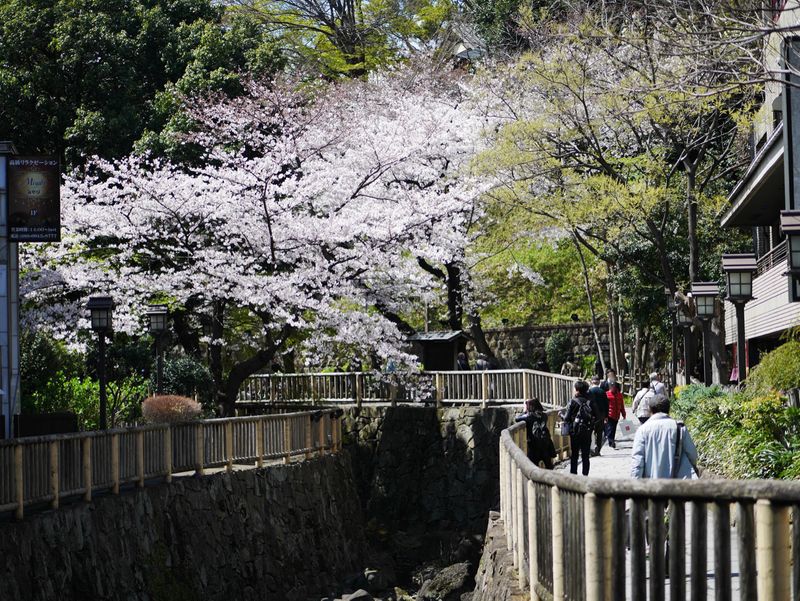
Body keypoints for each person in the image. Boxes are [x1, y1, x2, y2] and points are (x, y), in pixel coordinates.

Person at [631, 394, 699, 479]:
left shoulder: (642, 430)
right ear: (669, 409)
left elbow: (637, 461)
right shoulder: (679, 427)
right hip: (678, 483)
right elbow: (692, 454)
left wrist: (635, 484)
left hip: (652, 483)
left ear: (650, 409)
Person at [563, 379, 594, 475]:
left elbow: (567, 418)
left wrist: (561, 415)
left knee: (575, 455)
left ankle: (574, 475)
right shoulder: (590, 402)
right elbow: (596, 416)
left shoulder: (572, 402)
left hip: (575, 432)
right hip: (587, 431)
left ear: (577, 390)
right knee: (585, 456)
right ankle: (585, 476)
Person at [515, 398, 557, 469]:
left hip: (534, 445)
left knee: (533, 468)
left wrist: (525, 411)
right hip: (545, 444)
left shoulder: (529, 417)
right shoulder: (544, 416)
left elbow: (517, 418)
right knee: (549, 466)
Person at [587, 375, 608, 456]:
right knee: (599, 433)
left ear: (592, 382)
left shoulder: (589, 391)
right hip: (601, 415)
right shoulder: (602, 392)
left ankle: (591, 449)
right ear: (599, 382)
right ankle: (598, 450)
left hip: (591, 415)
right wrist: (606, 416)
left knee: (590, 433)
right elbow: (606, 404)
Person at [605, 382, 626, 448]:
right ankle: (611, 441)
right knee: (610, 428)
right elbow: (604, 405)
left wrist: (623, 413)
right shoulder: (607, 394)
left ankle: (611, 440)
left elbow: (622, 405)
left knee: (613, 429)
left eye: (613, 387)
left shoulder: (619, 395)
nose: (612, 388)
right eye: (611, 387)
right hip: (609, 415)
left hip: (616, 415)